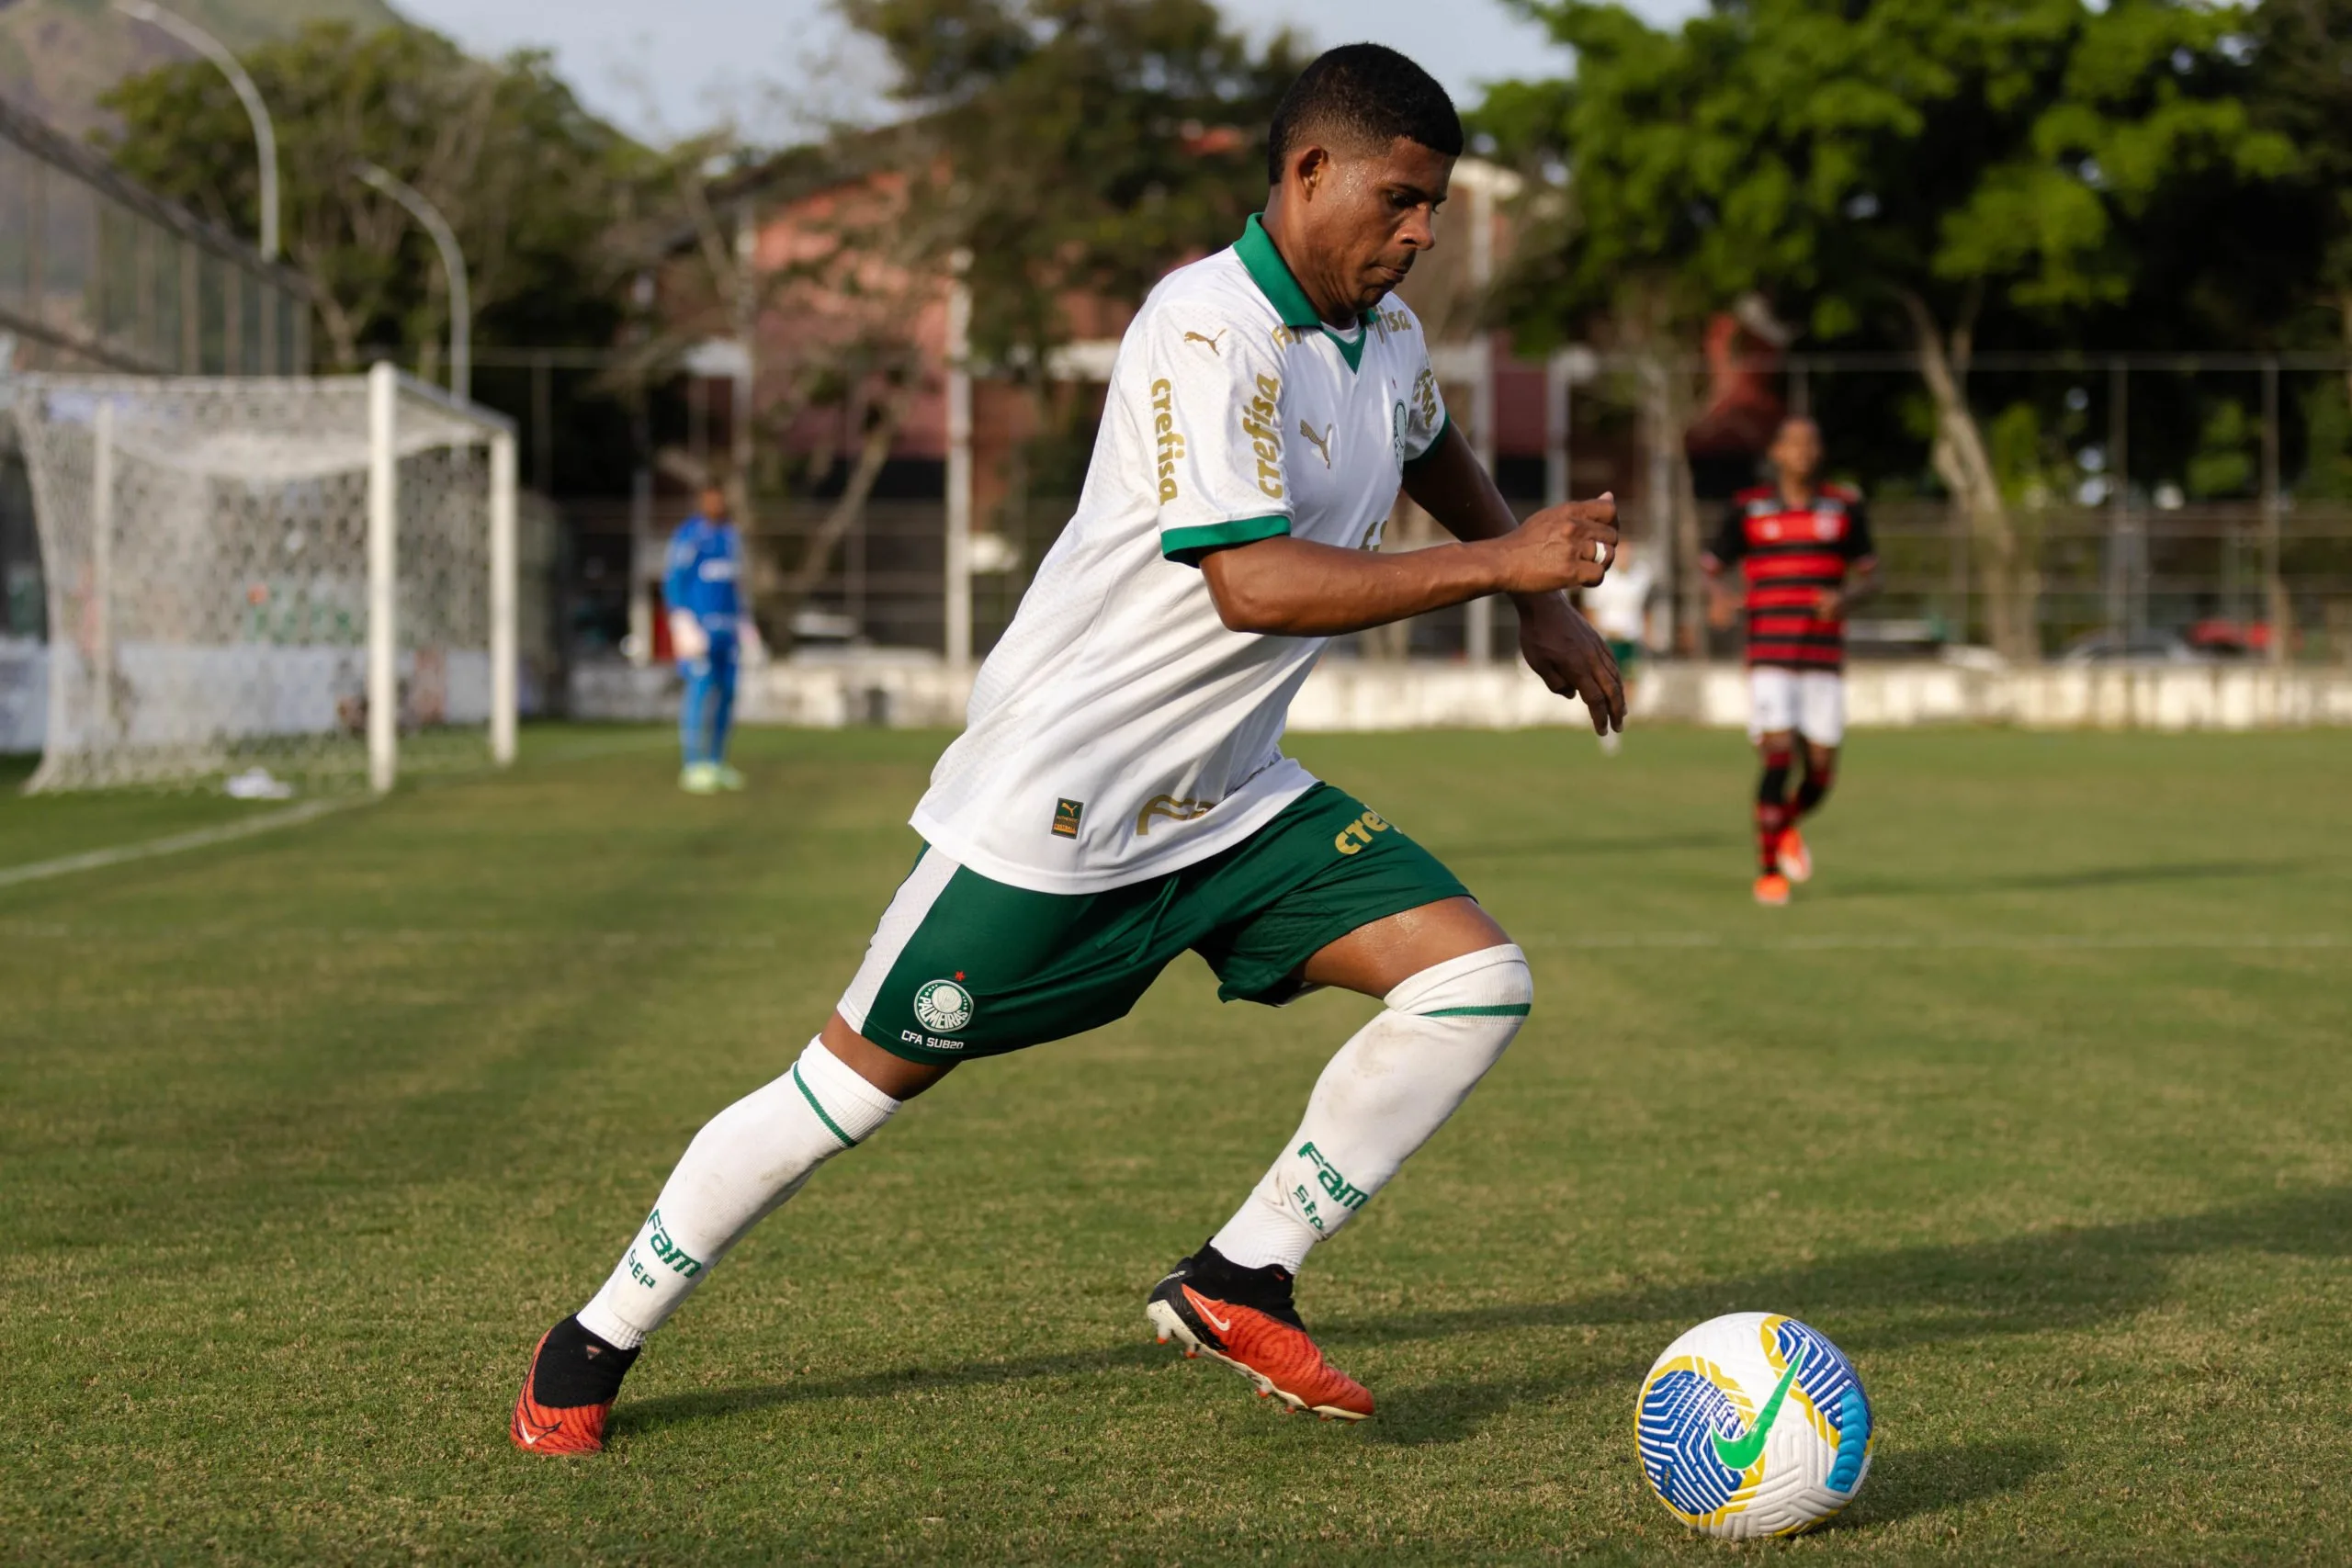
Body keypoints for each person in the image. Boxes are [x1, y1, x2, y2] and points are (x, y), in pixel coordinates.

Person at [511, 43, 1625, 1453]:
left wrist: (1536, 595)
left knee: (1474, 979)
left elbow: (1428, 445)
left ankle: (1239, 1274)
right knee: (841, 1093)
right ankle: (591, 1335)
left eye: (1436, 210)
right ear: (1308, 172)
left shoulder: (1385, 341)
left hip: (1228, 806)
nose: (1419, 234)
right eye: (1400, 201)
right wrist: (1501, 564)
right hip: (1058, 817)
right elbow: (1256, 584)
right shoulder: (1205, 325)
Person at [1703, 417, 1876, 906]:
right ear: (1776, 452)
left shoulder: (1844, 507)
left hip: (1822, 659)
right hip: (1769, 656)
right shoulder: (1749, 509)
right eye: (1792, 442)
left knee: (1820, 774)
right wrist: (1718, 596)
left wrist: (1846, 597)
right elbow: (1710, 566)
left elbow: (1873, 576)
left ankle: (1785, 827)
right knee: (1779, 756)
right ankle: (1768, 873)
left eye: (1811, 442)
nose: (1802, 451)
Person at [663, 484, 746, 793]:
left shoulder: (731, 537)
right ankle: (692, 764)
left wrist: (745, 625)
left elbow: (737, 584)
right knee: (699, 694)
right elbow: (674, 580)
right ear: (702, 501)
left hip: (728, 631)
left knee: (726, 695)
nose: (717, 504)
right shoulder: (689, 536)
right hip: (700, 630)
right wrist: (682, 622)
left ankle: (716, 761)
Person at [1577, 537, 1657, 755]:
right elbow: (1589, 611)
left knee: (1629, 684)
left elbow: (1646, 607)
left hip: (1631, 639)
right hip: (1607, 640)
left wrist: (1648, 633)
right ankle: (1604, 728)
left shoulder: (1640, 577)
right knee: (1606, 685)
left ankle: (1619, 723)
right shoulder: (1601, 578)